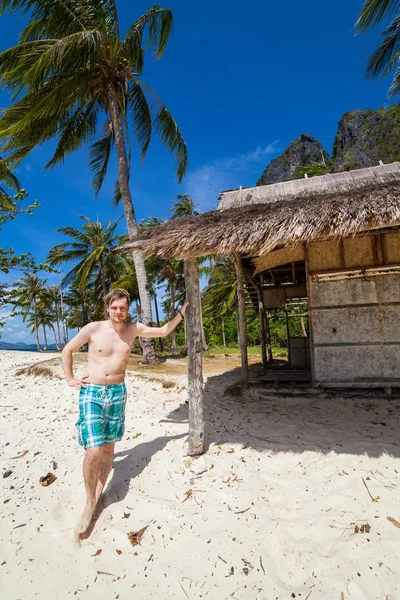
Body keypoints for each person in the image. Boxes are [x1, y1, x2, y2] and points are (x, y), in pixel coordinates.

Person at [61, 288, 189, 541]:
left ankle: (99, 491)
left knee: (109, 448)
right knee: (94, 450)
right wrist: (70, 378)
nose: (118, 312)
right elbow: (68, 350)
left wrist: (181, 315)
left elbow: (163, 331)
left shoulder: (133, 329)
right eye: (114, 307)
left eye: (123, 308)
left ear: (127, 309)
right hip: (92, 393)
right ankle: (89, 503)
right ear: (108, 307)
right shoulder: (93, 328)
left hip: (118, 393)